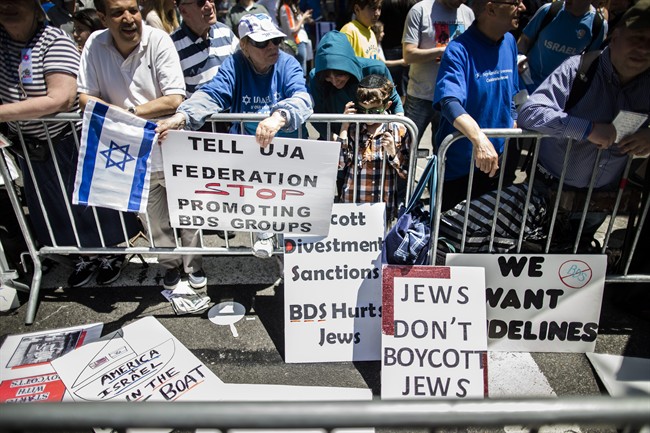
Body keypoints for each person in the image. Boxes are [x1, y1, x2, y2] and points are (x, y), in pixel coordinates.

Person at [0, 0, 140, 287]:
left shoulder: (54, 40)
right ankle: (82, 256)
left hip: (68, 139)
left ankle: (108, 253)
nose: (8, 7)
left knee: (88, 202)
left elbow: (61, 98)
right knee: (55, 206)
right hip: (29, 142)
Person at [156, 13, 313, 258]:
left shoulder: (287, 62)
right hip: (249, 150)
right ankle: (266, 234)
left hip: (287, 152)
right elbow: (214, 93)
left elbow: (302, 98)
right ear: (245, 45)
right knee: (260, 199)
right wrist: (183, 116)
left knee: (291, 213)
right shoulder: (235, 63)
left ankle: (292, 261)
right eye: (262, 43)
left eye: (276, 40)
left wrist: (278, 116)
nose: (272, 47)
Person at [77, 0, 203, 291]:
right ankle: (169, 266)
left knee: (188, 214)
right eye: (118, 12)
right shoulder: (95, 45)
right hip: (130, 153)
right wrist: (126, 117)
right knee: (153, 219)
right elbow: (85, 97)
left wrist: (127, 114)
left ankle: (194, 265)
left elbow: (174, 98)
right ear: (103, 17)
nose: (129, 18)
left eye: (132, 9)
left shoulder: (158, 40)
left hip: (171, 147)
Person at [518, 0, 649, 241]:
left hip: (601, 201)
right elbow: (530, 112)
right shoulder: (579, 69)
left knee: (575, 268)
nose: (643, 49)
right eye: (637, 38)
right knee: (535, 254)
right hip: (547, 195)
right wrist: (587, 129)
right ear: (616, 36)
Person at [433, 0, 523, 211]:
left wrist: (514, 118)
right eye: (515, 2)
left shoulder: (509, 41)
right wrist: (479, 139)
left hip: (497, 164)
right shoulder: (458, 50)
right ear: (490, 8)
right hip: (460, 168)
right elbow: (449, 102)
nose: (522, 7)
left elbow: (513, 93)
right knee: (452, 236)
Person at [334, 75, 411, 220]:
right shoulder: (353, 128)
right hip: (352, 203)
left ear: (387, 105)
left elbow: (406, 173)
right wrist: (344, 126)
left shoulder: (398, 129)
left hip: (382, 207)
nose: (368, 116)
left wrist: (393, 153)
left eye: (374, 111)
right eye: (363, 110)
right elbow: (340, 164)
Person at [402, 0, 475, 149]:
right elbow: (408, 55)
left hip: (452, 98)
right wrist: (444, 51)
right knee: (405, 150)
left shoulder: (467, 13)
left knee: (444, 153)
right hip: (420, 96)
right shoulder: (420, 10)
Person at [308, 30, 403, 140]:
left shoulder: (375, 69)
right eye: (327, 77)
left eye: (339, 75)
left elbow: (394, 100)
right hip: (335, 137)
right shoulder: (315, 77)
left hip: (373, 139)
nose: (334, 81)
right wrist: (335, 139)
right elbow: (317, 114)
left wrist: (400, 128)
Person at [517, 0, 607, 93]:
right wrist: (518, 57)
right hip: (527, 81)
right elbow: (525, 39)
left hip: (557, 92)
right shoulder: (549, 10)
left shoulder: (597, 25)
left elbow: (589, 62)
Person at [171, 0, 239, 97]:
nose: (210, 6)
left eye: (211, 0)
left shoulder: (226, 32)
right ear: (183, 10)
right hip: (199, 111)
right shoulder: (173, 47)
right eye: (201, 2)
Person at [277, 0, 312, 77]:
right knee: (301, 74)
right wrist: (303, 18)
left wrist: (305, 18)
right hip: (297, 42)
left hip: (300, 42)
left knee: (302, 73)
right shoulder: (286, 8)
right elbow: (293, 30)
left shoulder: (293, 7)